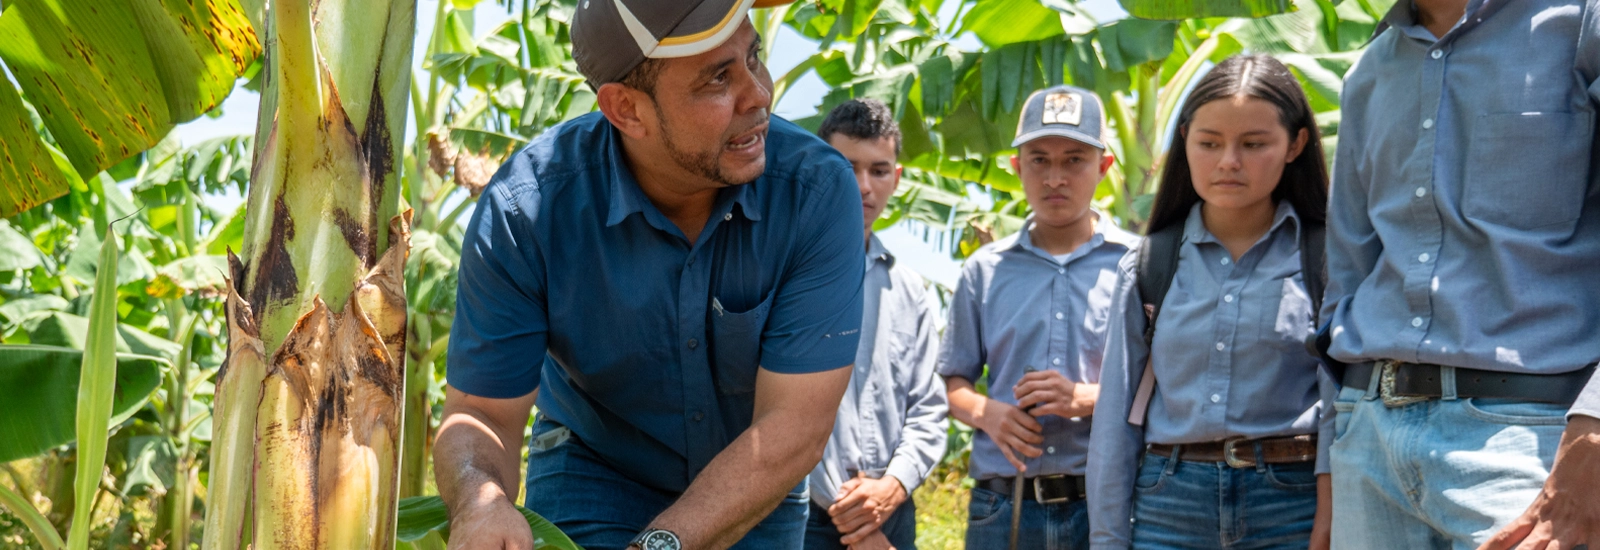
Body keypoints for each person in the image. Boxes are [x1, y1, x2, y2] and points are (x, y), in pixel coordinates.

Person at [431, 1, 870, 549]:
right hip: (593, 465)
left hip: (758, 474)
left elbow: (793, 426)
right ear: (626, 109)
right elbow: (480, 412)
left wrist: (656, 545)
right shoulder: (528, 212)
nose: (758, 95)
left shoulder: (815, 192)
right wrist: (478, 501)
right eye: (718, 79)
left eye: (753, 57)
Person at [1322, 0, 1600, 548]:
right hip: (1367, 440)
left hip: (1533, 436)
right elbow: (1348, 271)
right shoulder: (1371, 68)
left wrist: (1595, 428)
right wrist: (1345, 432)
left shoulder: (1582, 23)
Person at [1086, 54, 1334, 550]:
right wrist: (1108, 540)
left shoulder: (1328, 260)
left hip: (1291, 506)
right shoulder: (1147, 266)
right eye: (1209, 143)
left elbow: (1340, 409)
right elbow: (1114, 423)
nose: (1228, 161)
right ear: (1185, 141)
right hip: (1166, 507)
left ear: (1296, 144)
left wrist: (1330, 517)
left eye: (1253, 143)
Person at [938, 84, 1136, 550]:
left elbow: (1166, 382)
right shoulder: (985, 270)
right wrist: (989, 414)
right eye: (1039, 160)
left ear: (1103, 168)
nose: (1054, 178)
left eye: (1074, 160)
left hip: (1107, 503)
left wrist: (1085, 397)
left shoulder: (1137, 264)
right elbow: (953, 384)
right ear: (1017, 167)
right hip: (1005, 507)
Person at [803, 98, 949, 550]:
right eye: (848, 167)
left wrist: (892, 487)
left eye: (879, 170)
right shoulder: (783, 274)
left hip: (892, 510)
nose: (864, 186)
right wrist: (848, 513)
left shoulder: (909, 290)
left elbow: (927, 406)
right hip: (801, 512)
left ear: (897, 178)